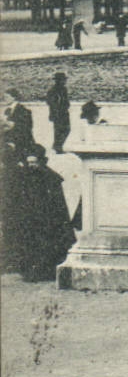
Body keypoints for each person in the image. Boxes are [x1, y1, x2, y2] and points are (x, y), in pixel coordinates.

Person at [8, 145, 76, 281]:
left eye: (34, 162)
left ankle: (46, 273)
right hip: (29, 219)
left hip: (47, 221)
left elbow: (58, 205)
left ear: (41, 161)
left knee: (46, 245)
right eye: (29, 163)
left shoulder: (51, 178)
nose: (31, 165)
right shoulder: (23, 177)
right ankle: (29, 272)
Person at [46, 73, 70, 153]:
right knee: (59, 130)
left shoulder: (64, 89)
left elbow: (65, 101)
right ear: (58, 80)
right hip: (58, 114)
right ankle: (58, 147)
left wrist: (66, 106)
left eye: (65, 80)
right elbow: (50, 102)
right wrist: (54, 112)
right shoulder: (53, 90)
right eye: (63, 80)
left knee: (67, 129)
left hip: (64, 113)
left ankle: (57, 145)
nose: (65, 81)